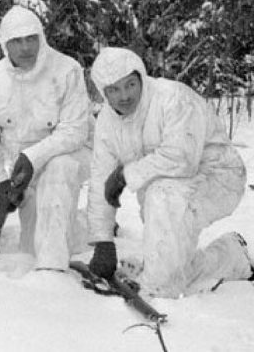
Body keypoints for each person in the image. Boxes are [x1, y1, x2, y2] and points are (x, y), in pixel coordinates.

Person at [86, 47, 253, 297]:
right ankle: (232, 255)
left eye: (130, 85)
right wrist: (103, 241)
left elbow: (182, 159)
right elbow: (101, 179)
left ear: (141, 77)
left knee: (162, 197)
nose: (124, 96)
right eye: (114, 89)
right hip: (166, 187)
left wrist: (125, 176)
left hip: (218, 176)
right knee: (171, 258)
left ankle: (157, 286)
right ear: (103, 93)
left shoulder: (172, 97)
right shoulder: (107, 123)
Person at [0, 5, 92, 271]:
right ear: (5, 45)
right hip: (22, 172)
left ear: (41, 37)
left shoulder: (67, 70)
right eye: (16, 41)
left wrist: (33, 157)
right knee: (31, 246)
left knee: (58, 172)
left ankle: (52, 269)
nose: (25, 48)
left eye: (31, 38)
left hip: (70, 154)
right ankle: (82, 227)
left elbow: (74, 131)